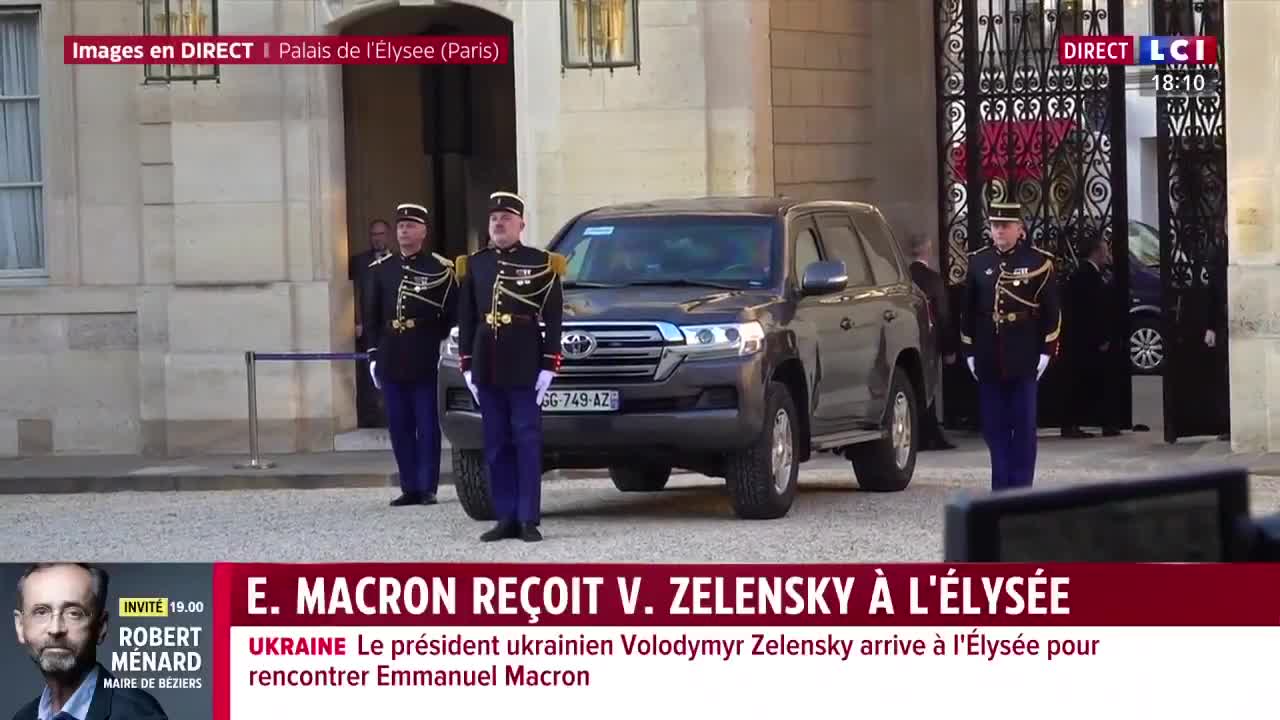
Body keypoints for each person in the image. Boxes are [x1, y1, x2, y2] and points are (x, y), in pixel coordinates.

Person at [455, 191, 565, 542]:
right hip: (487, 360)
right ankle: (505, 516)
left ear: (521, 224)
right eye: (493, 219)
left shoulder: (542, 262)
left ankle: (528, 517)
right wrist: (468, 365)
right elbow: (468, 317)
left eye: (506, 218)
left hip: (524, 361)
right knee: (496, 442)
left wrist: (550, 364)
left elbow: (553, 317)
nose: (498, 223)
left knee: (527, 440)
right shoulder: (475, 264)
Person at [960, 202, 1062, 491]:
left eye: (1005, 226)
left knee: (1024, 428)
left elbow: (1051, 311)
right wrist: (969, 350)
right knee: (994, 428)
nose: (1000, 231)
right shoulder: (978, 262)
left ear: (1020, 229)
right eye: (995, 226)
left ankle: (1021, 489)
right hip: (989, 356)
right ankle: (1000, 486)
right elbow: (967, 312)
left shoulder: (1038, 262)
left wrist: (1047, 350)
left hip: (1024, 355)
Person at [363, 203, 458, 506]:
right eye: (401, 225)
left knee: (426, 423)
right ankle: (409, 485)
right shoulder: (381, 270)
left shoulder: (440, 269)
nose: (404, 230)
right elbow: (372, 315)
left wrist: (442, 343)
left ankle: (426, 486)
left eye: (410, 225)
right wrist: (374, 353)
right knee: (399, 423)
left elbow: (451, 314)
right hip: (391, 352)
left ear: (423, 231)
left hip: (425, 350)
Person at [11, 563, 167, 720]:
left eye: (73, 613)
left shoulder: (139, 715)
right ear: (20, 626)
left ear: (101, 627)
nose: (55, 628)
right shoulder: (23, 717)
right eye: (41, 612)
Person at [1061, 235, 1119, 438]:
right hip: (1084, 340)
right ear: (1096, 251)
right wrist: (1101, 337)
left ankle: (1102, 422)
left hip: (1084, 339)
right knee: (1081, 382)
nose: (1108, 253)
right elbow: (1092, 311)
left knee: (1089, 382)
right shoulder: (1086, 275)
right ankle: (1073, 424)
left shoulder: (1093, 274)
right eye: (1105, 249)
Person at [907, 232, 957, 451]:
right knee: (929, 386)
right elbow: (943, 315)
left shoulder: (904, 277)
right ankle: (930, 433)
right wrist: (949, 348)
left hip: (908, 339)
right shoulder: (932, 279)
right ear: (928, 250)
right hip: (929, 340)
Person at [352, 219, 392, 427]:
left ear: (389, 235)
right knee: (368, 373)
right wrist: (357, 320)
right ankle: (370, 417)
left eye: (381, 234)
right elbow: (353, 292)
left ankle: (389, 416)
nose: (377, 239)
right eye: (374, 235)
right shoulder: (359, 262)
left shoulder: (397, 261)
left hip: (391, 328)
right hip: (367, 327)